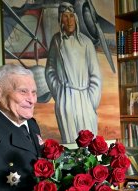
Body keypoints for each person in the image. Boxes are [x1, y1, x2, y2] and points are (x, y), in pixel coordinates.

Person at [45, 2, 102, 144]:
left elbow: (95, 75)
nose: (69, 20)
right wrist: (59, 93)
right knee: (70, 144)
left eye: (71, 16)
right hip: (66, 99)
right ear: (60, 19)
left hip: (85, 99)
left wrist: (90, 102)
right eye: (65, 16)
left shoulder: (86, 42)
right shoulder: (56, 41)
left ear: (76, 17)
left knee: (90, 146)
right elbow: (50, 69)